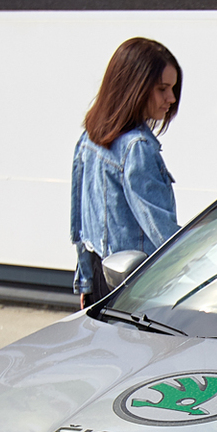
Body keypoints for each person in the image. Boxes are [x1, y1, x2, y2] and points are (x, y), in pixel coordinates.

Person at [71, 38, 182, 308]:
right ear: (134, 87)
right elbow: (163, 234)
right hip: (135, 290)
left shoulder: (91, 138)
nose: (171, 98)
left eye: (173, 88)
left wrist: (86, 281)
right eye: (162, 89)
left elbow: (81, 227)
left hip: (101, 280)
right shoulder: (137, 148)